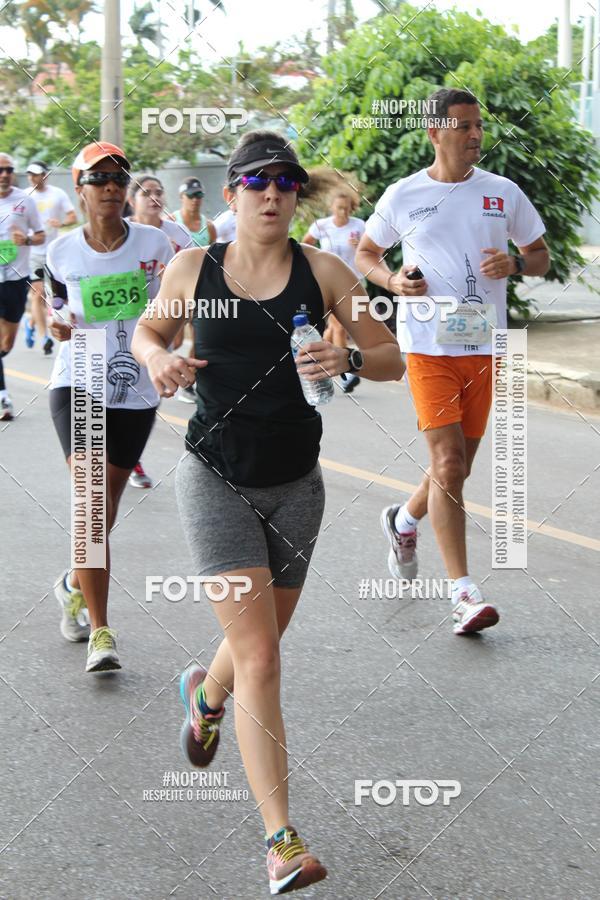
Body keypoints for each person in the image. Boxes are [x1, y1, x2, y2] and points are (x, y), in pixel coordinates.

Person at [131, 130, 403, 895]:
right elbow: (149, 329)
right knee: (263, 658)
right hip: (216, 475)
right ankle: (280, 840)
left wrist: (347, 357)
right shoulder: (195, 269)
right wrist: (160, 358)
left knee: (254, 650)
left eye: (285, 182)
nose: (273, 194)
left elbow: (393, 360)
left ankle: (204, 695)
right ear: (232, 194)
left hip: (297, 484)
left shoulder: (323, 271)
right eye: (257, 182)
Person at [356, 87, 550, 635]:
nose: (475, 135)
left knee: (457, 467)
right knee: (447, 465)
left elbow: (540, 256)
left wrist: (514, 263)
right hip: (427, 347)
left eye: (478, 126)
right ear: (434, 132)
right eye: (463, 126)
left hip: (486, 347)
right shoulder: (404, 194)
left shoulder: (503, 192)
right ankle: (463, 591)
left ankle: (403, 518)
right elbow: (366, 254)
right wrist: (394, 280)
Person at [47, 142, 173, 671]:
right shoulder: (60, 252)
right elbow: (54, 307)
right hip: (79, 374)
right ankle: (101, 630)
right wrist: (55, 324)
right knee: (91, 505)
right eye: (98, 179)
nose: (111, 188)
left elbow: (175, 304)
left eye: (120, 178)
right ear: (80, 189)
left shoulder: (155, 243)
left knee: (106, 509)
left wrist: (169, 349)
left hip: (135, 385)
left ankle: (74, 580)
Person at [126, 174, 193, 485]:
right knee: (116, 392)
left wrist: (181, 320)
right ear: (132, 200)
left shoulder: (176, 234)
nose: (153, 197)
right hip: (119, 323)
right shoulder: (121, 232)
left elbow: (196, 277)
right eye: (145, 192)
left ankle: (130, 455)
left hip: (159, 325)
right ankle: (126, 458)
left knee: (148, 395)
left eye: (158, 191)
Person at [302, 190, 366, 393]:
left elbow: (370, 251)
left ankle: (314, 361)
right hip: (326, 283)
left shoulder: (358, 226)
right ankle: (346, 375)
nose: (344, 212)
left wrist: (359, 246)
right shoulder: (321, 226)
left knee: (332, 329)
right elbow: (305, 245)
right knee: (339, 327)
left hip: (353, 282)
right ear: (332, 207)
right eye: (340, 208)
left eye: (347, 209)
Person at [0, 152, 45, 421]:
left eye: (9, 170)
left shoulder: (24, 201)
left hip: (16, 279)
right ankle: (3, 397)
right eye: (0, 170)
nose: (4, 174)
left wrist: (26, 240)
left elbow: (40, 235)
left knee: (5, 344)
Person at [24, 160, 77, 355]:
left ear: (45, 175)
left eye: (35, 174)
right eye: (29, 174)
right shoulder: (25, 196)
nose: (31, 178)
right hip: (32, 253)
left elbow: (73, 217)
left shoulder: (57, 194)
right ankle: (44, 337)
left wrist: (61, 223)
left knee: (49, 297)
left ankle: (31, 323)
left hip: (53, 253)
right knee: (38, 294)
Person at [170, 176, 216, 246]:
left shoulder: (209, 226)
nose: (195, 199)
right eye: (190, 195)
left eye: (199, 195)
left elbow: (214, 254)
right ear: (181, 196)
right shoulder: (171, 221)